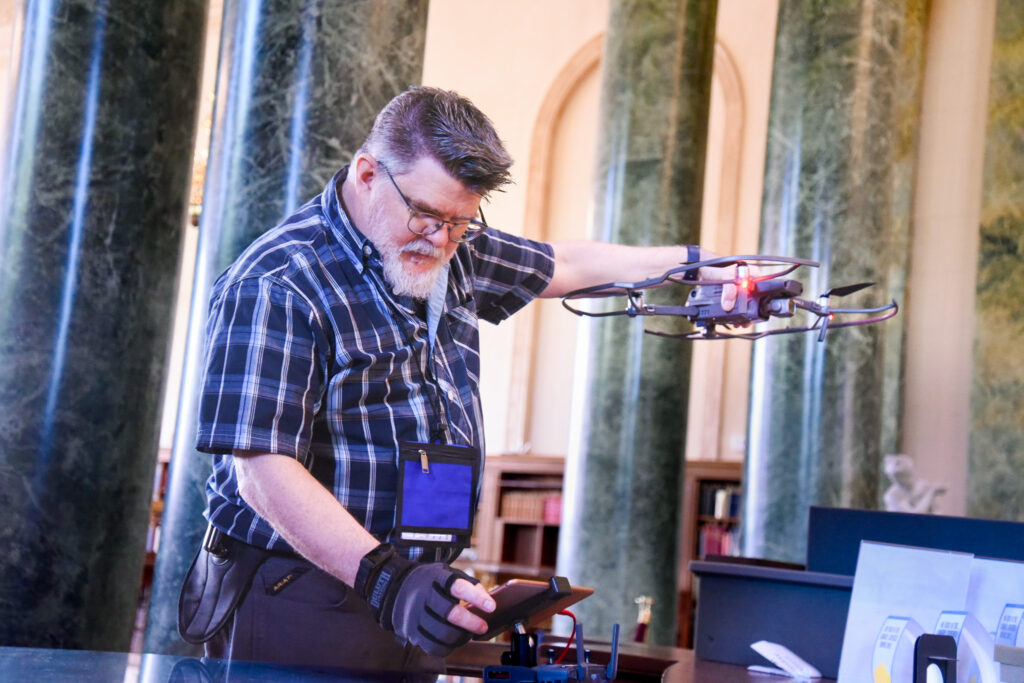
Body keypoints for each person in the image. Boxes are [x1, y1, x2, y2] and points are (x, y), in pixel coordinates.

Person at [178, 86, 735, 674]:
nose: (440, 240)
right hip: (295, 588)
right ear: (367, 174)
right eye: (426, 214)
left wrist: (700, 268)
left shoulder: (450, 249)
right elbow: (261, 473)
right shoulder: (277, 282)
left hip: (415, 589)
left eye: (460, 222)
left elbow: (565, 265)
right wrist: (389, 581)